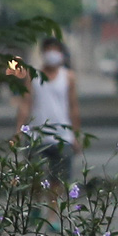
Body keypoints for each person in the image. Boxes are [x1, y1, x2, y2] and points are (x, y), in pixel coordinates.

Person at [15, 37, 81, 198]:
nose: (52, 54)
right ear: (43, 53)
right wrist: (19, 130)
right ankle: (35, 209)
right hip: (37, 136)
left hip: (62, 136)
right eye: (48, 50)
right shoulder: (33, 76)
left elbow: (73, 107)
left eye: (55, 50)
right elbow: (26, 103)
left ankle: (52, 218)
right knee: (34, 177)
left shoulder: (68, 77)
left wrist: (76, 135)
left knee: (57, 180)